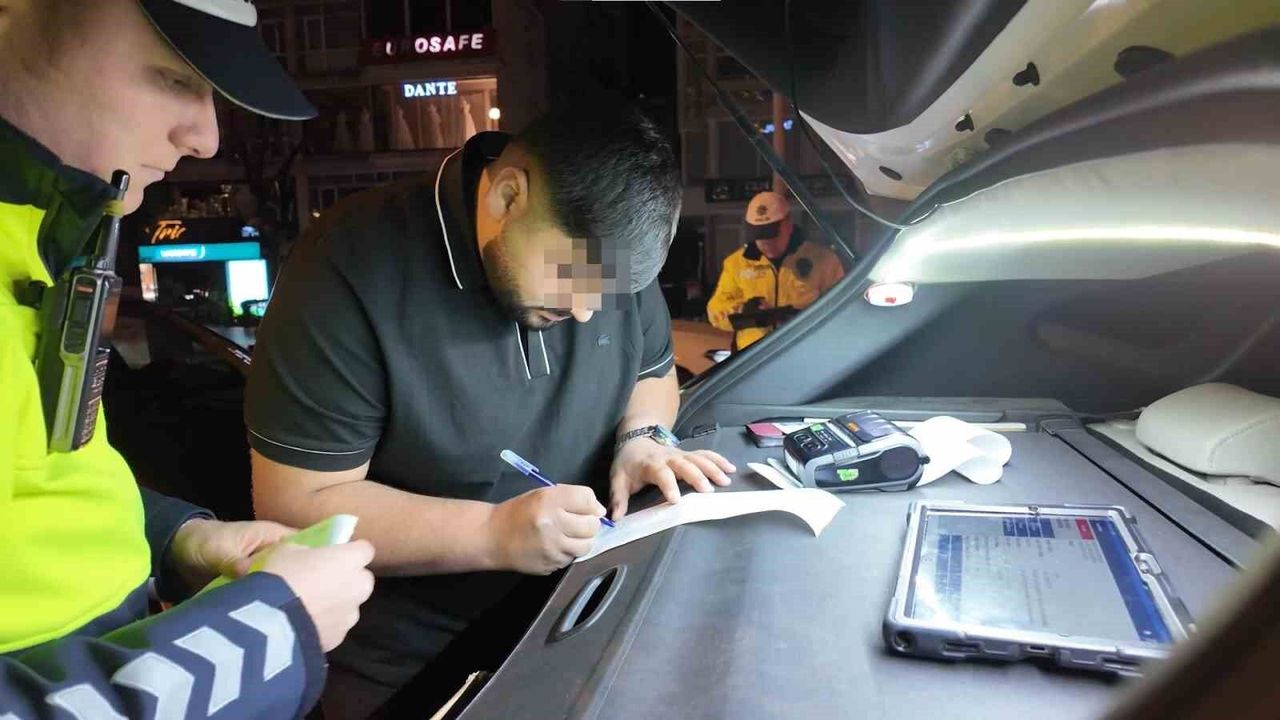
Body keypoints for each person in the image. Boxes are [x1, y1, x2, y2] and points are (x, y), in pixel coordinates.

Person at [245, 101, 738, 718]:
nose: (585, 311)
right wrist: (492, 533)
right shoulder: (348, 268)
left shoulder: (604, 259)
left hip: (579, 614)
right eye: (571, 275)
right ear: (508, 196)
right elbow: (297, 502)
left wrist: (642, 438)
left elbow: (653, 373)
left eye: (608, 293)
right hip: (414, 663)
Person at [0, 1, 375, 717]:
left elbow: (35, 497)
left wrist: (178, 538)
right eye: (174, 77)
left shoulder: (39, 238)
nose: (206, 137)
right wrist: (264, 635)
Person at [707, 191, 845, 349]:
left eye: (771, 233)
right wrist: (744, 311)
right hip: (756, 358)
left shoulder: (823, 260)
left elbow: (842, 309)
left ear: (788, 224)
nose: (765, 241)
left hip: (805, 353)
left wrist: (793, 317)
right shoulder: (736, 264)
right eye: (759, 234)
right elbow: (715, 312)